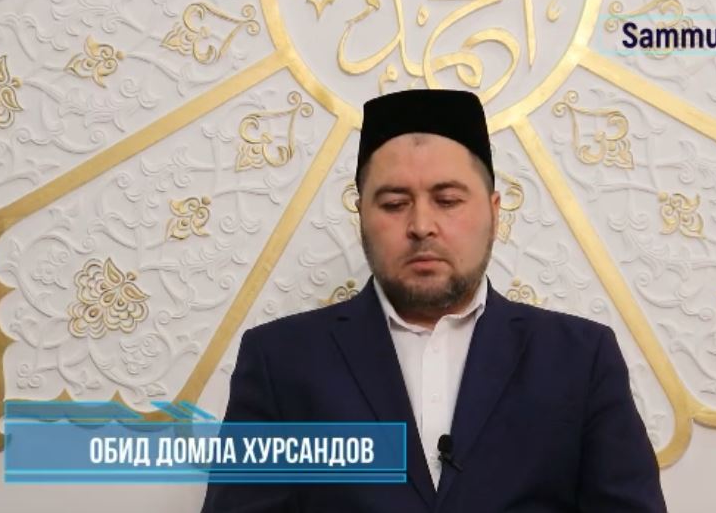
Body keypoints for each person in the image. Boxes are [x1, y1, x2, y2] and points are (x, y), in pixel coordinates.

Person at [201, 89, 667, 512]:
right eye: (394, 203)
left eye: (447, 200)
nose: (421, 225)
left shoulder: (580, 358)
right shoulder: (281, 362)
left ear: (494, 212)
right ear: (361, 215)